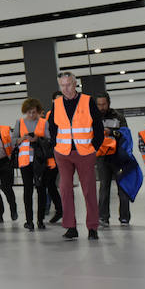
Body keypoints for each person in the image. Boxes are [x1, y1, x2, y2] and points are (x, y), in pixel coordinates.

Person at [47, 72, 104, 240]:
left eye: (69, 84)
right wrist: (55, 147)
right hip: (63, 153)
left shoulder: (87, 101)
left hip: (85, 152)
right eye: (62, 85)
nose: (66, 88)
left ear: (75, 84)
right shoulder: (56, 104)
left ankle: (92, 227)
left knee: (89, 190)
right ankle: (71, 226)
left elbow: (98, 127)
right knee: (65, 189)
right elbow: (53, 128)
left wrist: (94, 147)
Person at [12, 98, 52, 231]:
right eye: (28, 112)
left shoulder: (44, 122)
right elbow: (13, 142)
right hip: (25, 162)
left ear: (38, 111)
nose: (31, 115)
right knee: (27, 191)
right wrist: (22, 138)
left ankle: (40, 220)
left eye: (34, 112)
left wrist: (37, 138)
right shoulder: (20, 122)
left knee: (41, 190)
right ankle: (29, 221)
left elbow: (49, 140)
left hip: (40, 161)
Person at [95, 92, 131, 227]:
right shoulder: (94, 118)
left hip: (118, 157)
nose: (101, 107)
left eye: (103, 104)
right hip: (102, 158)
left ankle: (124, 217)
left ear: (108, 103)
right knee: (104, 187)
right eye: (99, 104)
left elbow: (126, 134)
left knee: (122, 188)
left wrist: (112, 132)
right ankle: (103, 217)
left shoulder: (119, 117)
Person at [42, 91, 64, 224]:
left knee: (65, 185)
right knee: (50, 183)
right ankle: (60, 210)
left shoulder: (70, 113)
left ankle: (64, 211)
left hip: (68, 152)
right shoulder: (50, 115)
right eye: (56, 100)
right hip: (54, 153)